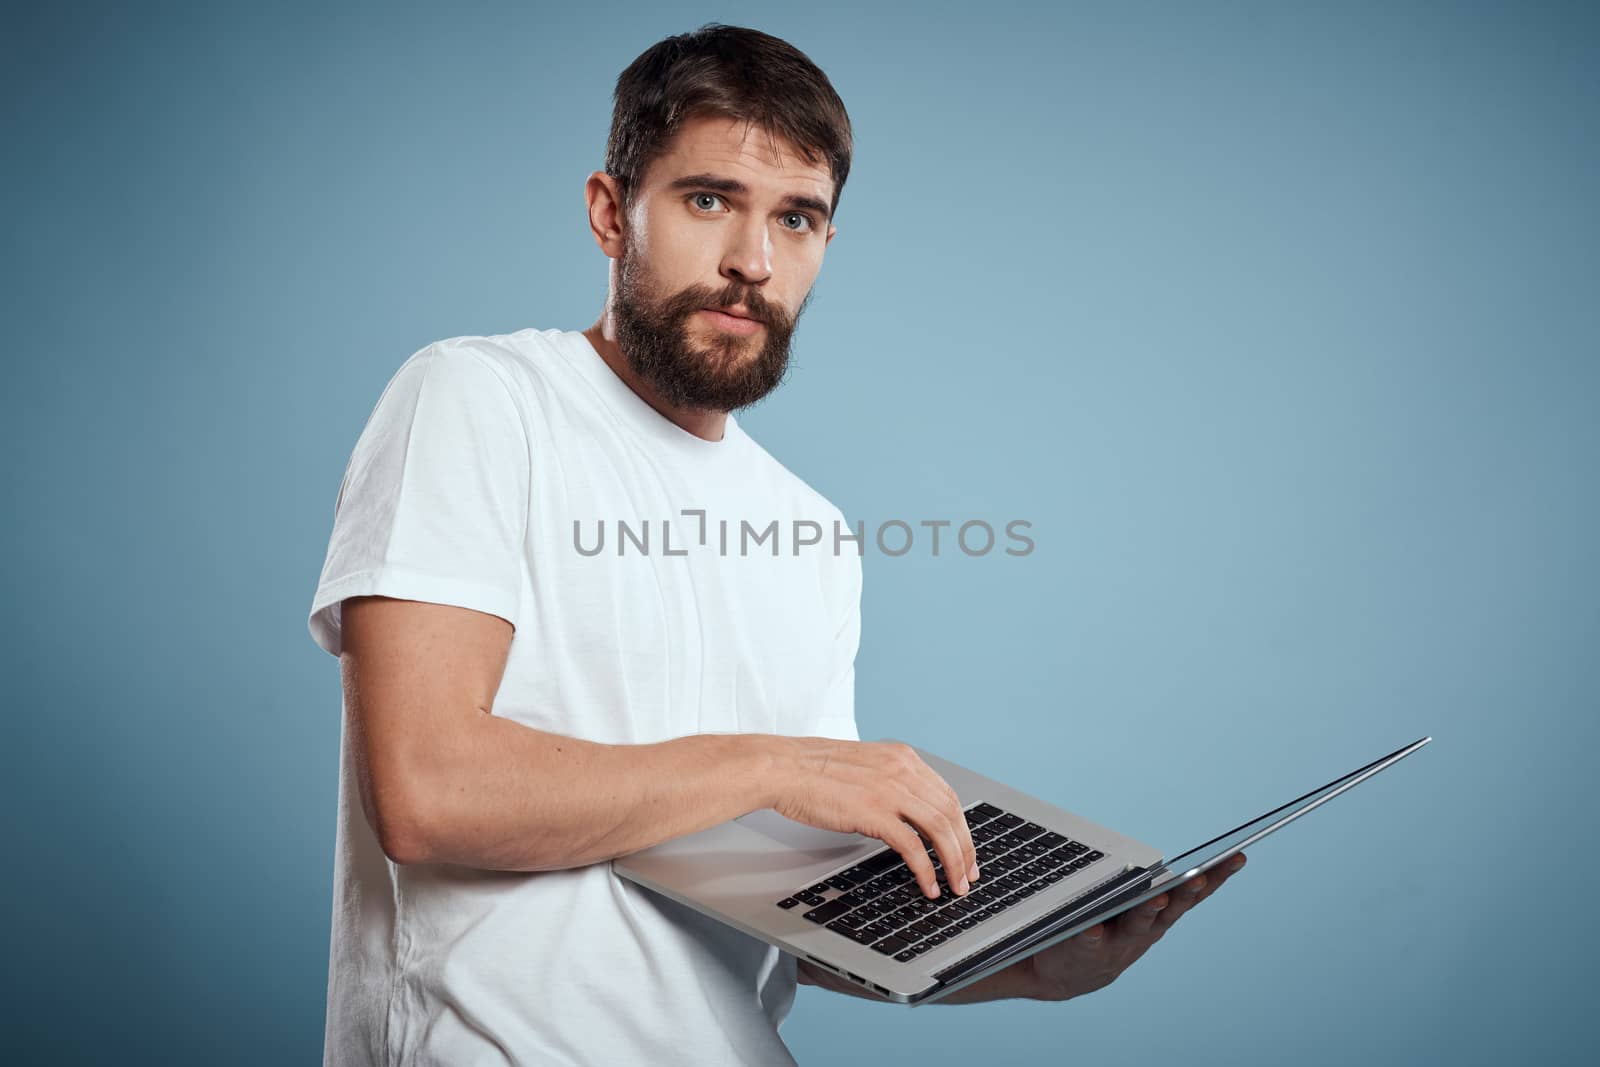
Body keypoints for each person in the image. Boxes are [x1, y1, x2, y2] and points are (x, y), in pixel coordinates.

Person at [306, 22, 1245, 1066]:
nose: (752, 262)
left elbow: (780, 900)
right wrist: (772, 764)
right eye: (709, 200)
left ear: (825, 245)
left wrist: (1022, 968)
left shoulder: (812, 532)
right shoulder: (479, 397)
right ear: (611, 213)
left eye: (796, 218)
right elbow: (429, 792)